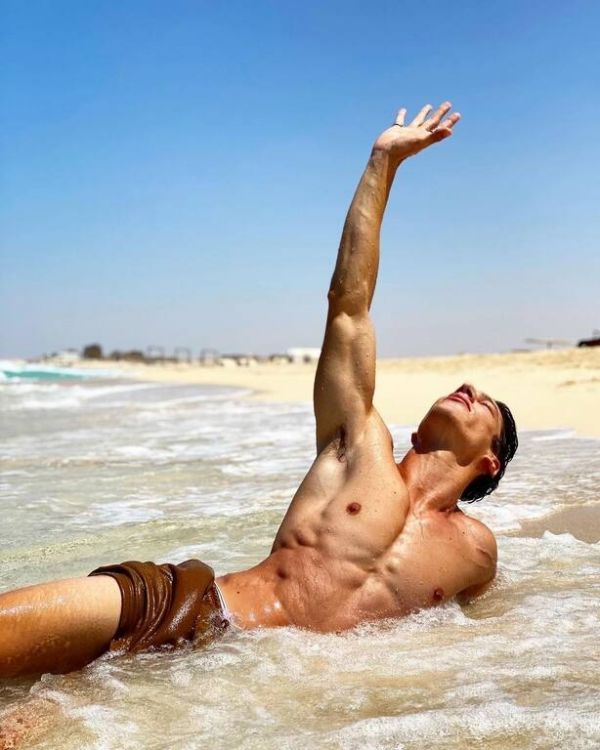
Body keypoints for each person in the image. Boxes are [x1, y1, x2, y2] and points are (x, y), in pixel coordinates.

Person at [0, 101, 517, 679]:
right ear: (418, 430)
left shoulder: (477, 554)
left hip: (259, 683)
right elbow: (349, 306)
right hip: (199, 612)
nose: (469, 387)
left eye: (486, 404)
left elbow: (496, 643)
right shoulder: (360, 442)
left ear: (490, 461)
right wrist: (383, 162)